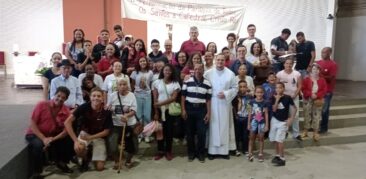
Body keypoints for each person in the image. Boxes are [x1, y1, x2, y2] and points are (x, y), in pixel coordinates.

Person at [26, 87, 74, 178]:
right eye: (58, 96)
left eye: (63, 98)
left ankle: (61, 162)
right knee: (38, 145)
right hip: (34, 133)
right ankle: (36, 172)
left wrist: (51, 140)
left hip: (50, 135)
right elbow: (32, 124)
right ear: (54, 95)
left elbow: (65, 131)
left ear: (66, 99)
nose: (60, 99)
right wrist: (43, 138)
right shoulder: (41, 105)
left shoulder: (65, 110)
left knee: (67, 139)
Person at [64, 87, 113, 172]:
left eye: (99, 96)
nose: (96, 98)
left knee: (100, 168)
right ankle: (85, 159)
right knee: (79, 148)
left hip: (98, 137)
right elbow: (67, 122)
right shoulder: (84, 107)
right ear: (90, 97)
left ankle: (90, 153)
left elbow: (106, 131)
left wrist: (91, 137)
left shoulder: (107, 111)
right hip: (85, 134)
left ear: (102, 98)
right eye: (94, 96)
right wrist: (75, 141)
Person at [204, 53, 238, 160]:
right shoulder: (208, 73)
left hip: (224, 104)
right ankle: (212, 152)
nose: (220, 62)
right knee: (213, 127)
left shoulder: (230, 74)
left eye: (222, 60)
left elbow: (235, 88)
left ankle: (224, 152)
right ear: (215, 60)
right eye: (218, 60)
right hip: (212, 103)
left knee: (224, 126)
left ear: (225, 61)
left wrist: (226, 94)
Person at [181, 63, 212, 163]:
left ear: (203, 70)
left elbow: (208, 100)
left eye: (200, 69)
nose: (198, 71)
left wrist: (208, 113)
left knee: (201, 133)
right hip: (189, 109)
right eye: (196, 69)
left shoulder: (207, 83)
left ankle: (201, 153)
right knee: (189, 133)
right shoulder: (187, 81)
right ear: (193, 70)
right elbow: (183, 97)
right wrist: (183, 109)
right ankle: (191, 153)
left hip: (201, 110)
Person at [107, 79, 138, 169]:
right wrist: (108, 109)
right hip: (116, 125)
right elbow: (108, 107)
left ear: (127, 86)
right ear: (117, 86)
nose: (122, 86)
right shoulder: (112, 96)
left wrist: (127, 115)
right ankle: (117, 160)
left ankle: (128, 160)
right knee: (112, 146)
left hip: (129, 124)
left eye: (124, 84)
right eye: (120, 84)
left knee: (134, 147)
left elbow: (134, 110)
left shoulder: (131, 95)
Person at [152, 64, 181, 161]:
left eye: (169, 70)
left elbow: (173, 98)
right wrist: (156, 112)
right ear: (162, 71)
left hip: (170, 111)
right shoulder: (156, 82)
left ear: (172, 72)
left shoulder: (175, 83)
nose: (167, 72)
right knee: (159, 131)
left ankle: (168, 151)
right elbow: (155, 99)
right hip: (159, 111)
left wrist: (160, 103)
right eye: (165, 70)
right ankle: (160, 151)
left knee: (169, 132)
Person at [269, 82, 297, 166]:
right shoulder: (273, 97)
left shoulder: (288, 98)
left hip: (283, 122)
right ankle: (277, 155)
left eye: (280, 87)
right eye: (276, 88)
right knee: (274, 139)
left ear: (283, 89)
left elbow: (295, 108)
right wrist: (277, 99)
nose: (278, 89)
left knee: (280, 140)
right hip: (274, 120)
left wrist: (291, 119)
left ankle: (282, 158)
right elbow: (274, 109)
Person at [276, 58, 302, 141]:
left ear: (292, 64)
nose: (288, 65)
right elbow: (277, 85)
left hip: (294, 97)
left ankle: (296, 134)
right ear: (284, 64)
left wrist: (295, 94)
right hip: (283, 98)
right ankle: (285, 132)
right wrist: (280, 95)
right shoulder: (279, 74)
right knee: (284, 115)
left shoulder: (297, 74)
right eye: (287, 63)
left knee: (295, 115)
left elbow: (300, 86)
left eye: (290, 63)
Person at [301, 63, 327, 141]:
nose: (315, 71)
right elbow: (303, 89)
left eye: (317, 69)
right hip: (308, 99)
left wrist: (317, 95)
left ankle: (315, 132)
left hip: (317, 99)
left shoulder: (322, 80)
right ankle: (305, 131)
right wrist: (310, 94)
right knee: (307, 114)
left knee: (317, 116)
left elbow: (324, 90)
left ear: (319, 71)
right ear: (311, 70)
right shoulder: (306, 79)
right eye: (313, 69)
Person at [130, 57, 154, 142]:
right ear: (138, 63)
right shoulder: (134, 73)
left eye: (144, 61)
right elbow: (132, 85)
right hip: (137, 95)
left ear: (147, 62)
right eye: (141, 61)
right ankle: (139, 134)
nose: (142, 62)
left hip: (147, 95)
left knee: (147, 115)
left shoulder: (150, 72)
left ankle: (146, 134)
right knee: (139, 115)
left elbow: (150, 84)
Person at [317, 47, 338, 134]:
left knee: (324, 110)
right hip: (318, 90)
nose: (322, 54)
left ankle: (323, 128)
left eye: (324, 52)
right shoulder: (318, 63)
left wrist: (320, 75)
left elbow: (331, 78)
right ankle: (314, 126)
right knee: (316, 110)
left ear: (329, 53)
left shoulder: (333, 64)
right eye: (322, 52)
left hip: (327, 91)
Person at [247, 86, 269, 162]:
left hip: (262, 122)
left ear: (263, 93)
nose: (259, 94)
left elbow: (266, 114)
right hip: (253, 122)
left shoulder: (266, 102)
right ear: (255, 93)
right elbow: (249, 113)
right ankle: (250, 153)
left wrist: (266, 125)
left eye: (261, 92)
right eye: (257, 92)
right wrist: (248, 123)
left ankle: (260, 153)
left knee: (261, 138)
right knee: (251, 137)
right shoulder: (250, 102)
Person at [232, 80, 251, 156]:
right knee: (237, 134)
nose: (242, 88)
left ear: (247, 88)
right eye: (240, 87)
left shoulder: (249, 97)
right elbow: (233, 108)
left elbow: (249, 108)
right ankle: (236, 149)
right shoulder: (235, 97)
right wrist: (235, 116)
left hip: (246, 117)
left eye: (244, 87)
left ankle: (245, 149)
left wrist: (249, 118)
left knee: (245, 134)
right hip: (238, 117)